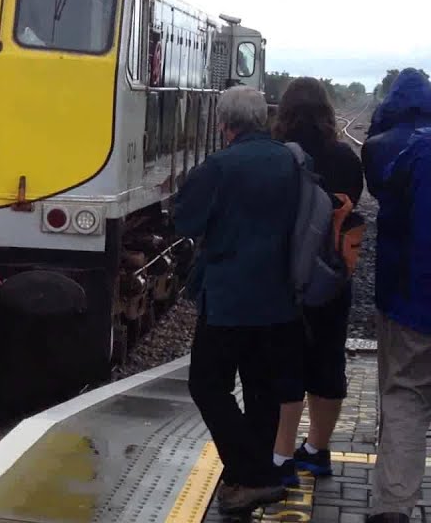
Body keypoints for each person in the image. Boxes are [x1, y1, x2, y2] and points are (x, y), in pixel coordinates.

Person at [175, 85, 303, 515]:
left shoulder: (220, 166)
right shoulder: (289, 160)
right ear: (262, 118)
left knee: (207, 385)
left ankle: (252, 474)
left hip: (228, 297)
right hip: (279, 297)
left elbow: (185, 221)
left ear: (224, 123)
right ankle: (252, 475)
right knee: (261, 389)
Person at [271, 77, 365, 486]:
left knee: (284, 362)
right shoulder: (345, 157)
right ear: (327, 110)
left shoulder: (278, 155)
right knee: (328, 360)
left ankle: (280, 455)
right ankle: (317, 449)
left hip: (283, 275)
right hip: (331, 276)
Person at [362, 69, 431, 523]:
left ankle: (393, 506)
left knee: (405, 393)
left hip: (409, 300)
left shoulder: (389, 148)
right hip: (410, 295)